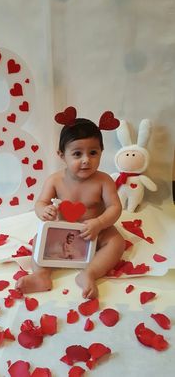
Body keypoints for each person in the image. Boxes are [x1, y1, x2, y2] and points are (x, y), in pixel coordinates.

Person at [16, 118, 125, 299]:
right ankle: (42, 274)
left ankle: (89, 273)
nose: (86, 160)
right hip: (63, 233)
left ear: (101, 152)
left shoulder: (104, 181)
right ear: (61, 155)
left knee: (116, 242)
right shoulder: (55, 180)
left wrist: (99, 223)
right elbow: (40, 203)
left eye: (93, 153)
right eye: (77, 154)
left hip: (95, 232)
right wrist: (44, 211)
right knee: (38, 240)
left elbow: (115, 207)